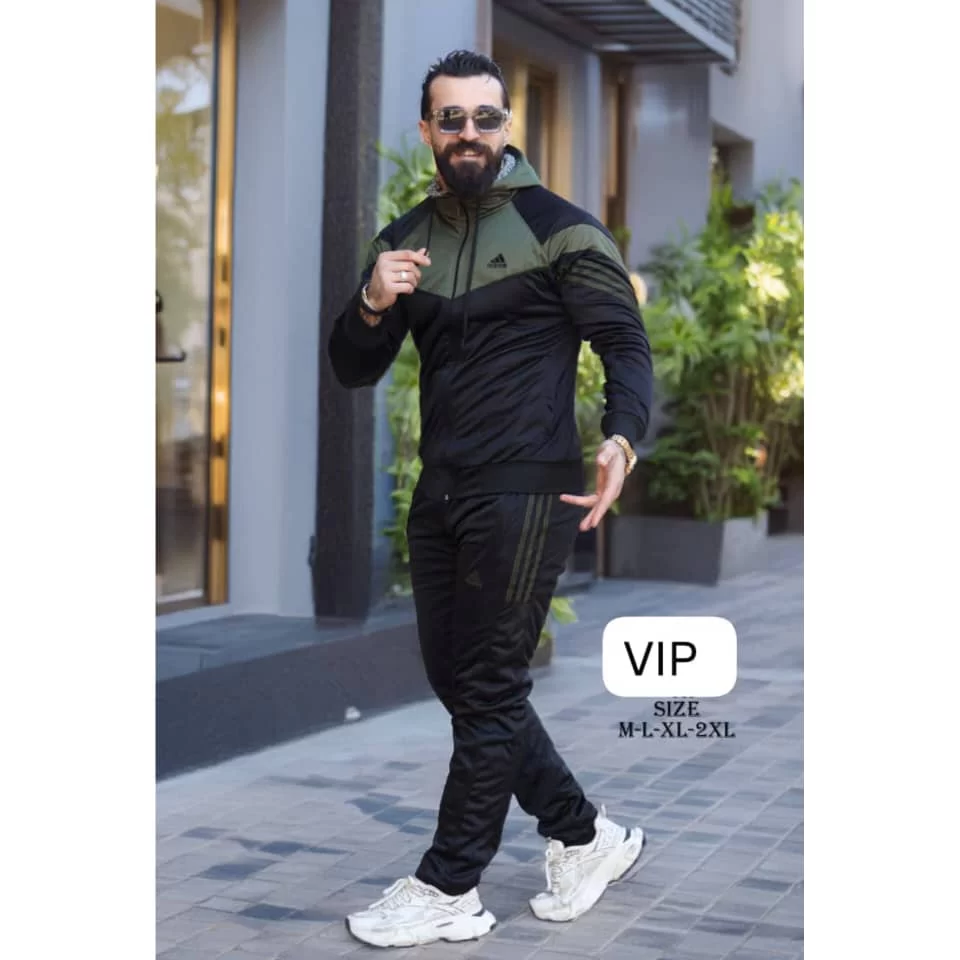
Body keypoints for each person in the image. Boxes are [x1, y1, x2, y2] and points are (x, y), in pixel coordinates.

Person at [328, 49, 654, 949]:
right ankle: (584, 836)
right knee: (464, 683)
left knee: (489, 682)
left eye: (485, 117)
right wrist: (371, 299)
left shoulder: (561, 230)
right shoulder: (405, 240)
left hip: (527, 487)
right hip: (441, 491)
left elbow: (624, 343)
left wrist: (622, 436)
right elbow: (352, 367)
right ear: (427, 130)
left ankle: (450, 885)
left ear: (508, 126)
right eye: (452, 118)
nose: (469, 132)